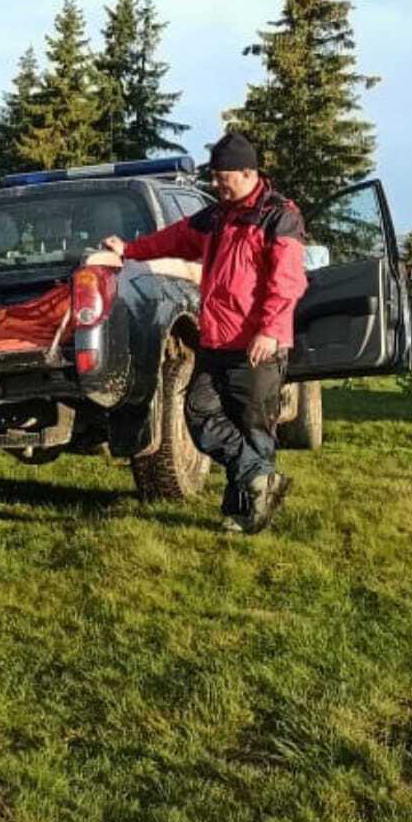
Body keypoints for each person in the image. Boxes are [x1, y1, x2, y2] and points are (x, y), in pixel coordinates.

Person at [99, 131, 307, 534]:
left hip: (256, 344)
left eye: (221, 176)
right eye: (213, 176)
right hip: (215, 340)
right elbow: (174, 238)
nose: (215, 184)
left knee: (253, 427)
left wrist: (269, 330)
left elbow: (288, 283)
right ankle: (260, 479)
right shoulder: (216, 216)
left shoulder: (279, 216)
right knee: (198, 412)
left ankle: (244, 513)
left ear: (248, 173)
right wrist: (129, 250)